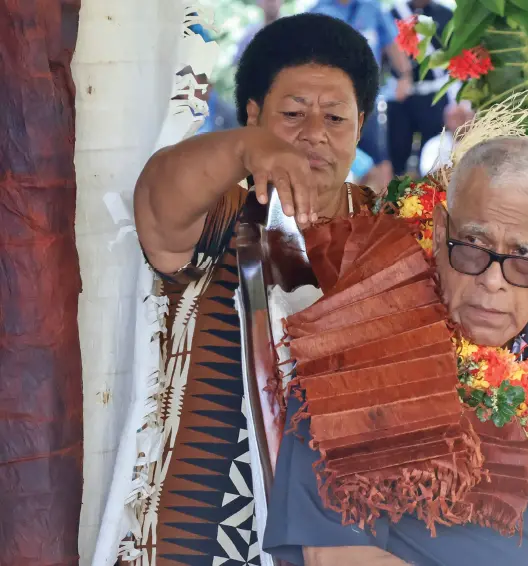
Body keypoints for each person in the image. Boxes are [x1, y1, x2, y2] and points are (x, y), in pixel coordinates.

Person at [264, 137, 528, 566]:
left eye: (524, 260)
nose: (493, 281)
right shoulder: (359, 363)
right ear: (440, 233)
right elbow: (338, 556)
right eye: (473, 248)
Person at [122, 14, 380, 564]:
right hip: (206, 532)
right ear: (253, 116)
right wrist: (243, 151)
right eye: (291, 114)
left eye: (335, 116)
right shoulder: (226, 215)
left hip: (348, 536)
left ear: (360, 124)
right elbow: (156, 204)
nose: (314, 132)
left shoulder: (388, 233)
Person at [310, 0, 416, 188]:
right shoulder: (317, 12)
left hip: (365, 100)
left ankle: (382, 213)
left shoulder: (372, 8)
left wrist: (405, 76)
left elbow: (392, 44)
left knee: (381, 164)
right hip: (328, 102)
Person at [386, 0, 454, 176]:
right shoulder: (393, 14)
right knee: (397, 148)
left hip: (434, 95)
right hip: (401, 97)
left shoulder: (446, 15)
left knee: (434, 151)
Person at [419, 101, 474, 176]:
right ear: (445, 121)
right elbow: (428, 174)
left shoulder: (481, 142)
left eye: (460, 117)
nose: (456, 122)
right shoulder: (434, 144)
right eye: (451, 118)